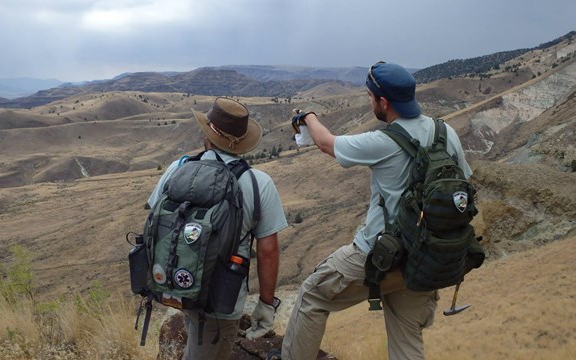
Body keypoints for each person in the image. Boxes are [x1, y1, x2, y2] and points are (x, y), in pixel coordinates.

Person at [280, 62, 473, 360]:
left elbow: (325, 143)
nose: (370, 102)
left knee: (312, 295)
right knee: (407, 340)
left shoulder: (385, 141)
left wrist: (309, 116)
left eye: (370, 97)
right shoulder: (445, 132)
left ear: (383, 102)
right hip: (425, 259)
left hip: (381, 256)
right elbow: (465, 185)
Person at [148, 97, 288, 360]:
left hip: (175, 282)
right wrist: (266, 305)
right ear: (243, 141)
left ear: (207, 134)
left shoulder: (178, 168)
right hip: (222, 299)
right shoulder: (259, 183)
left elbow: (154, 217)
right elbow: (268, 251)